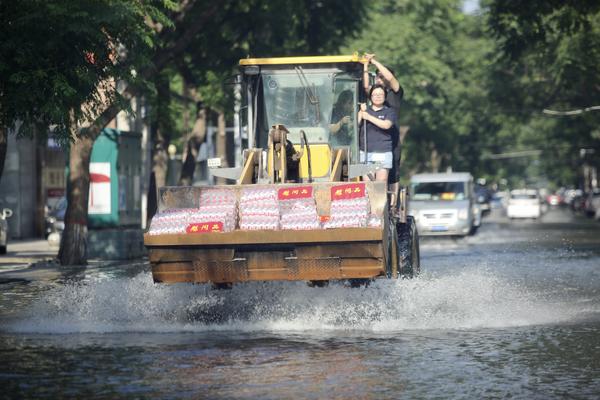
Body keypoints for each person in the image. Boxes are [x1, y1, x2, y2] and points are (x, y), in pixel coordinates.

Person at [362, 53, 404, 190]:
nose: (379, 79)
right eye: (377, 76)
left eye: (381, 76)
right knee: (370, 176)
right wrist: (365, 65)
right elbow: (366, 86)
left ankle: (392, 204)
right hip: (374, 142)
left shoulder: (395, 92)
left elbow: (390, 78)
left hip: (392, 138)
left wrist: (374, 61)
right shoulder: (376, 96)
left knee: (393, 173)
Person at [358, 84, 398, 182]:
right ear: (370, 97)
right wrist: (360, 112)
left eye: (381, 94)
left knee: (381, 183)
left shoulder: (389, 112)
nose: (378, 97)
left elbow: (386, 125)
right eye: (375, 94)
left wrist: (369, 117)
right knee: (368, 184)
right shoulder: (365, 111)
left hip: (383, 152)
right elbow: (355, 124)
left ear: (385, 96)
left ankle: (382, 197)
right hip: (366, 152)